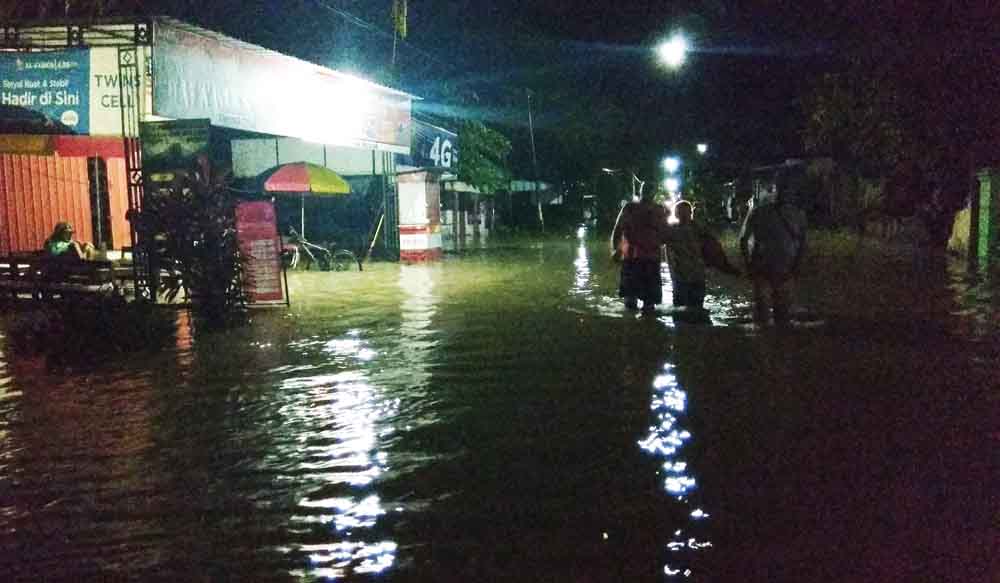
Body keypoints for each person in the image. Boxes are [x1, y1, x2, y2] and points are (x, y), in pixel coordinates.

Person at [739, 186, 807, 324]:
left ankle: (763, 339)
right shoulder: (797, 214)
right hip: (784, 266)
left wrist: (748, 263)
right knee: (782, 311)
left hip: (763, 265)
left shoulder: (758, 212)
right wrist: (797, 265)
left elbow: (743, 239)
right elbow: (803, 243)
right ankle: (778, 340)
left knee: (763, 309)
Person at [611, 188, 669, 312]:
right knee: (637, 301)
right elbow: (618, 229)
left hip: (645, 258)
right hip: (639, 257)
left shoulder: (656, 210)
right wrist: (616, 249)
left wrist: (616, 249)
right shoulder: (635, 208)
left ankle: (637, 326)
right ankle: (642, 327)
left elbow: (664, 235)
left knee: (642, 302)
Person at [662, 201, 708, 309]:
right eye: (682, 213)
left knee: (686, 311)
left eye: (685, 213)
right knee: (689, 310)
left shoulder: (698, 229)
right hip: (683, 276)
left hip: (693, 276)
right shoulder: (672, 230)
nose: (684, 216)